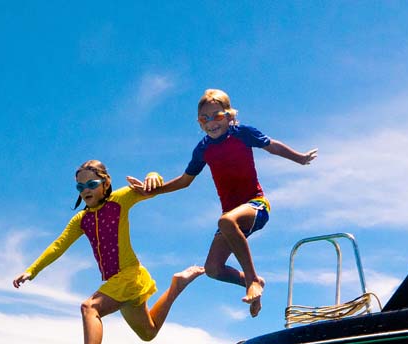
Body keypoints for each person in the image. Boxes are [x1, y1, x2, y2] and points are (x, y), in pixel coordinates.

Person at [128, 89, 317, 316]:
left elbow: (272, 145)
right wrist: (154, 191)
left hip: (256, 206)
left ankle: (252, 280)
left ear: (229, 116)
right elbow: (185, 181)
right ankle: (255, 284)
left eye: (216, 116)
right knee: (213, 269)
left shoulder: (242, 133)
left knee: (226, 220)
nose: (211, 123)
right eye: (204, 119)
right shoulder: (203, 149)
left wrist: (300, 158)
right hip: (231, 219)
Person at [13, 159, 204, 344]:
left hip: (129, 275)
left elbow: (152, 188)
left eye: (91, 184)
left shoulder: (119, 200)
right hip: (118, 282)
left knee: (89, 307)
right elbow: (58, 245)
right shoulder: (81, 220)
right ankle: (176, 285)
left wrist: (153, 176)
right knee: (148, 333)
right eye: (80, 187)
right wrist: (32, 270)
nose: (86, 190)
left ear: (106, 183)